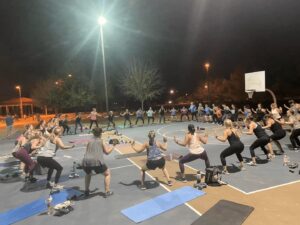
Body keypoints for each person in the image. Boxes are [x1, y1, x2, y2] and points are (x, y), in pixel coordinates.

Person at [82, 127, 115, 197]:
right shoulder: (101, 141)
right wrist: (113, 146)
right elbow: (107, 152)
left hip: (85, 161)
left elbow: (86, 151)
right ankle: (107, 191)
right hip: (96, 161)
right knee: (107, 174)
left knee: (88, 174)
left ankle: (86, 191)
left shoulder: (89, 140)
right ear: (100, 133)